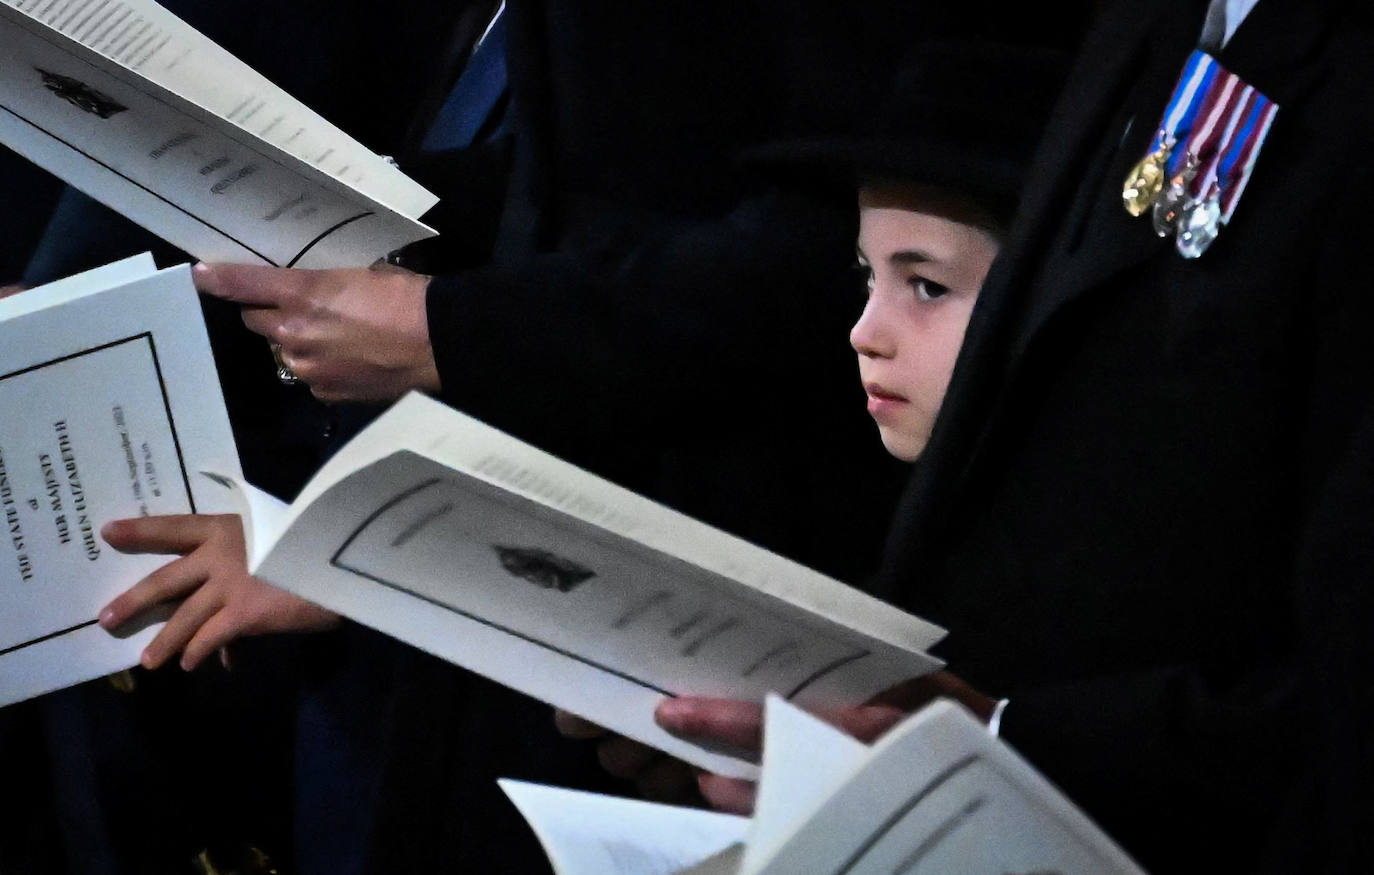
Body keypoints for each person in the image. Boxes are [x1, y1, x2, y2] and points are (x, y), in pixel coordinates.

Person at [632, 0, 1374, 871]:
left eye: (927, 287)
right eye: (867, 278)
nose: (865, 332)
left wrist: (994, 737)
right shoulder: (1146, 27)